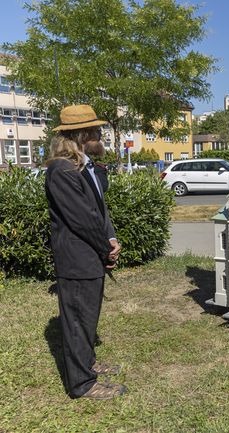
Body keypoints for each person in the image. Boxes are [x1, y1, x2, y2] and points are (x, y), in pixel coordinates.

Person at [45, 104, 126, 399]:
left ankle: (87, 364)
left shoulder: (83, 166)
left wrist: (111, 237)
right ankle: (82, 384)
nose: (100, 134)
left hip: (90, 255)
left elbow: (98, 211)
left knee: (88, 315)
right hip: (77, 258)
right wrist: (107, 248)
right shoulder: (62, 170)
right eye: (95, 130)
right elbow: (82, 219)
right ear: (80, 135)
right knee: (78, 319)